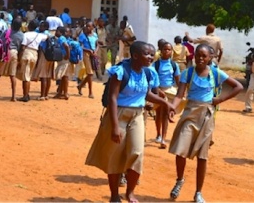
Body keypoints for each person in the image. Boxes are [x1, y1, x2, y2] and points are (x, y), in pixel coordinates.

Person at [85, 41, 175, 203]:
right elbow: (112, 98)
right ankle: (114, 195)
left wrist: (165, 103)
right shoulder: (121, 71)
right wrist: (114, 127)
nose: (151, 57)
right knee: (115, 154)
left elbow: (147, 94)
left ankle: (130, 193)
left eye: (152, 54)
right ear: (135, 55)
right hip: (118, 113)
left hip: (137, 115)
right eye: (147, 54)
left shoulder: (147, 73)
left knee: (137, 153)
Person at [168, 44, 243, 203]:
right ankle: (180, 179)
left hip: (207, 117)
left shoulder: (216, 73)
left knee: (202, 157)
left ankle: (198, 192)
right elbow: (179, 95)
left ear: (211, 57)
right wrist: (173, 108)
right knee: (180, 150)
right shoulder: (187, 73)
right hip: (189, 114)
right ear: (193, 56)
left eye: (204, 56)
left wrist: (220, 99)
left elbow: (238, 86)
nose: (200, 59)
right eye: (197, 56)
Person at [0, 18, 24, 101]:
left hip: (6, 53)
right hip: (14, 53)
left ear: (12, 25)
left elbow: (1, 42)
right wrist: (19, 60)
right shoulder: (21, 35)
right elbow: (21, 48)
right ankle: (13, 96)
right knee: (12, 75)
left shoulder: (7, 32)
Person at [153, 42, 180, 148]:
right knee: (158, 113)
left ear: (171, 51)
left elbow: (178, 80)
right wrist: (158, 90)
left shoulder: (174, 65)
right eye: (165, 49)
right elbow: (152, 79)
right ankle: (158, 134)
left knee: (165, 113)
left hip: (169, 91)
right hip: (158, 91)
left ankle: (163, 138)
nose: (167, 51)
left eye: (169, 49)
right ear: (161, 51)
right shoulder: (156, 64)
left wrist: (181, 92)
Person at [16, 20, 48, 102]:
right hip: (35, 54)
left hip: (27, 53)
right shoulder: (40, 35)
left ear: (29, 26)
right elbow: (48, 37)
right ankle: (26, 94)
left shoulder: (26, 34)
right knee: (29, 75)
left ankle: (25, 95)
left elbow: (22, 47)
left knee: (25, 76)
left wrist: (19, 60)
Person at [31, 21, 54, 101]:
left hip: (44, 55)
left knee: (43, 76)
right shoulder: (51, 35)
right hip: (51, 56)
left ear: (46, 27)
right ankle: (46, 94)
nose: (39, 28)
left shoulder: (43, 35)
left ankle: (42, 95)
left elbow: (40, 46)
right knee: (48, 76)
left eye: (42, 26)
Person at [77, 21, 98, 99]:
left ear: (93, 27)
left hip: (93, 54)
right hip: (86, 54)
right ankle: (90, 92)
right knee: (90, 73)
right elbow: (80, 46)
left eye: (89, 26)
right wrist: (88, 50)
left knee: (91, 73)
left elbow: (97, 44)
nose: (88, 28)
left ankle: (80, 86)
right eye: (87, 26)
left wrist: (95, 51)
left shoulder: (95, 35)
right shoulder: (82, 36)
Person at [54, 26, 71, 100]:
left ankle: (65, 93)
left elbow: (66, 46)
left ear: (60, 32)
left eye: (57, 31)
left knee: (64, 76)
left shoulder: (61, 38)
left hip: (64, 58)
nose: (55, 32)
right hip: (63, 58)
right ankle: (60, 92)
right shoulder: (63, 38)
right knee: (63, 76)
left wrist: (67, 55)